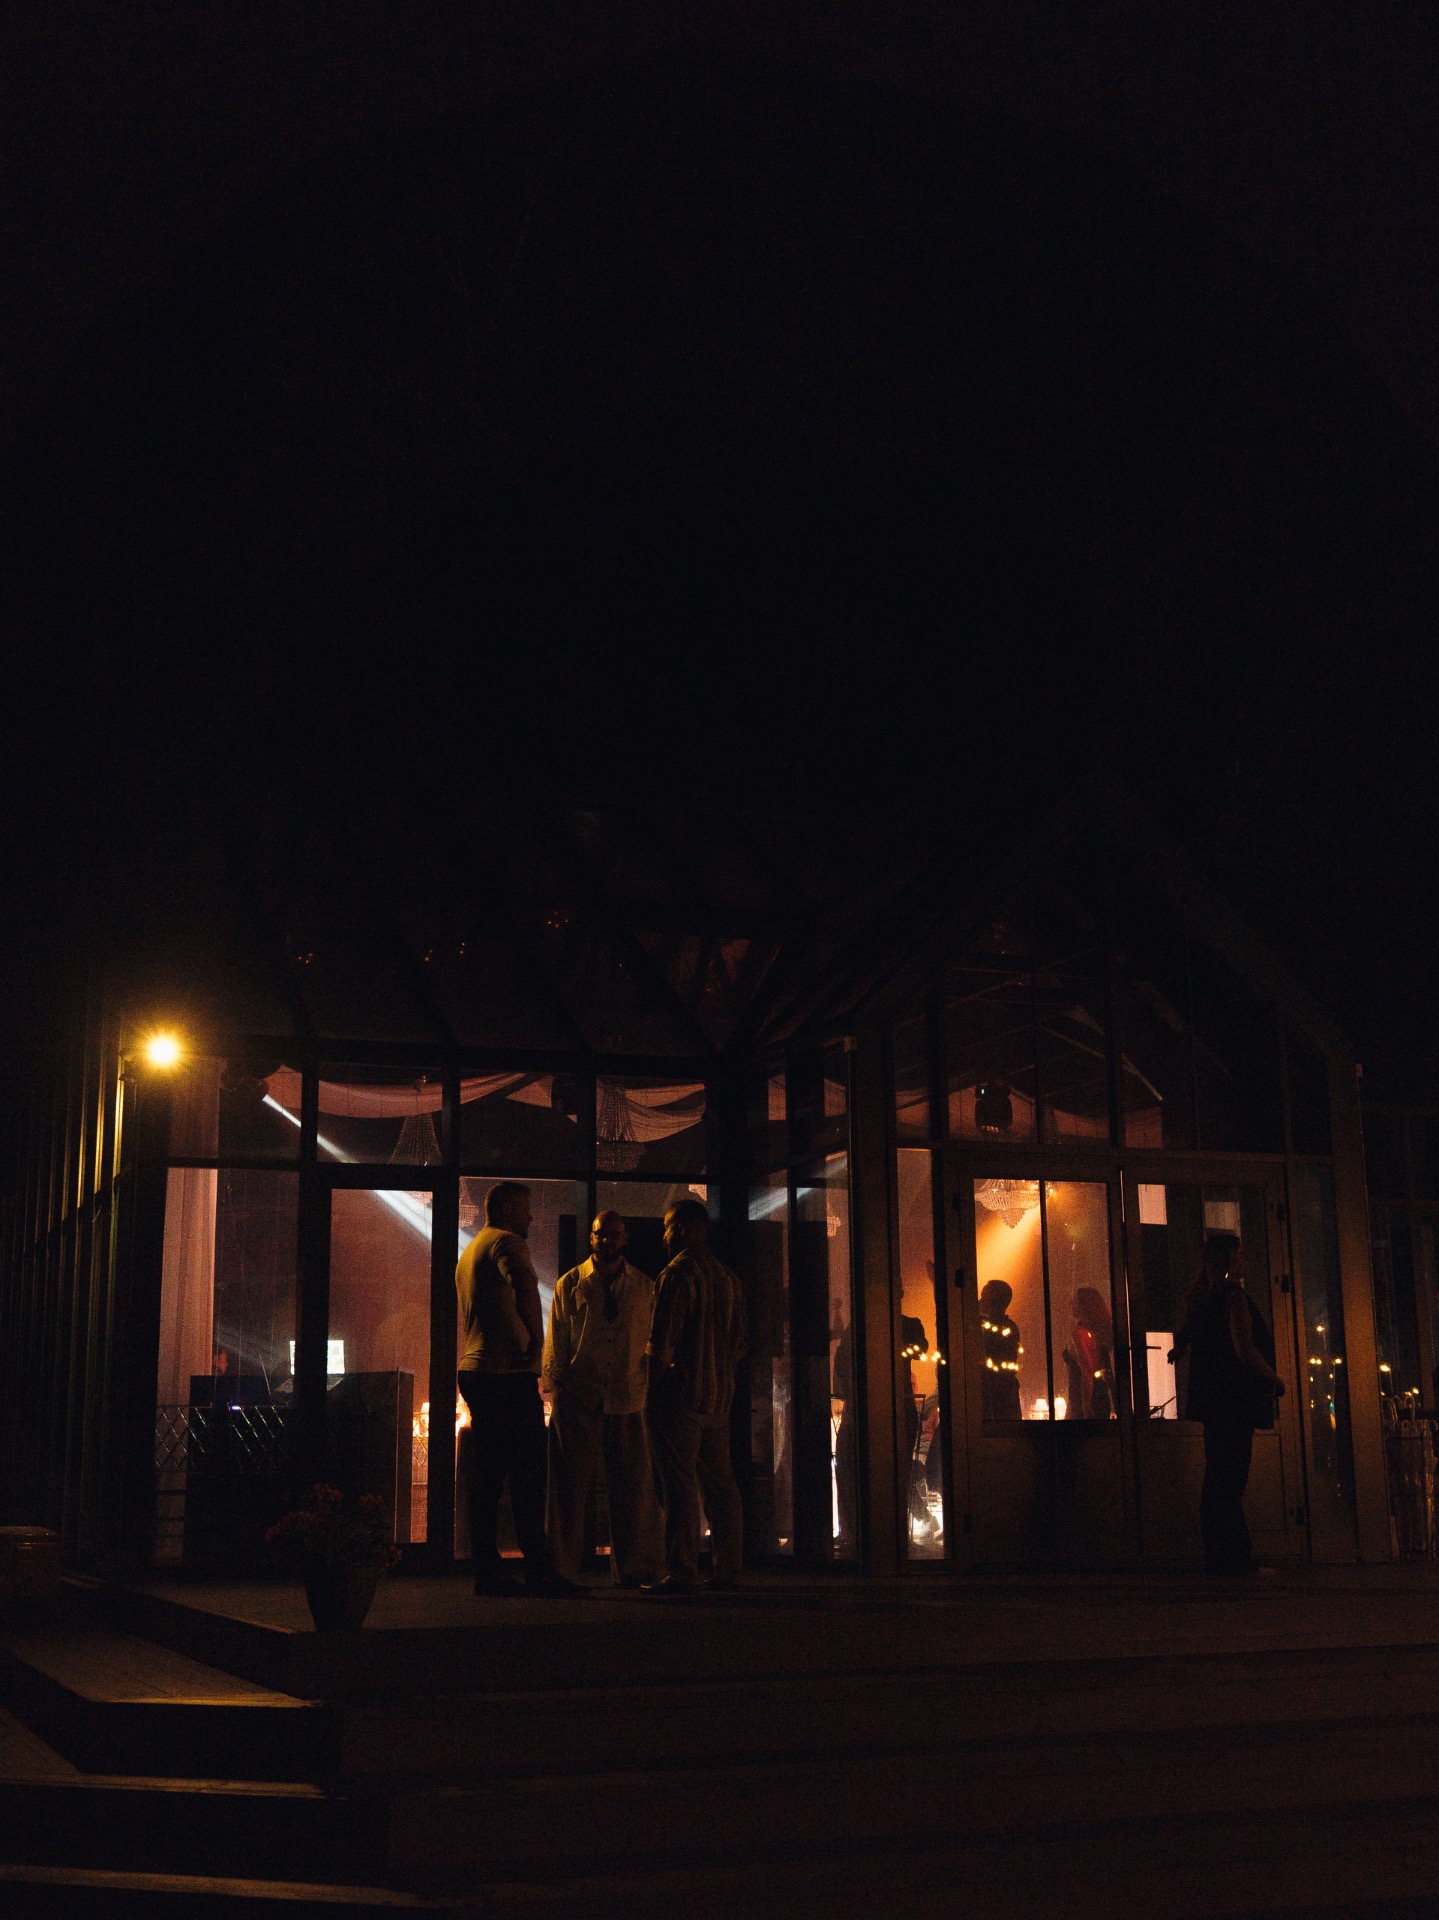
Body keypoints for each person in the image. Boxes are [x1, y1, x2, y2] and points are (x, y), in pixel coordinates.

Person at [455, 1181, 579, 1598]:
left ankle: (487, 1571)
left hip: (476, 1370)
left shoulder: (470, 1251)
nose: (531, 1217)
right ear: (508, 1208)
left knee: (488, 1478)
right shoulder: (508, 1242)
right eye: (525, 1209)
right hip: (505, 1373)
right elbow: (526, 1288)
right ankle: (539, 1571)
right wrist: (536, 1347)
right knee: (528, 1476)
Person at [543, 1210, 664, 1588]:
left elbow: (652, 1341)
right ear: (591, 1238)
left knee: (632, 1491)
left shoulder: (644, 1287)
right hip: (580, 1395)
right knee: (568, 1491)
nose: (607, 1240)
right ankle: (561, 1570)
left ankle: (633, 1569)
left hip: (627, 1397)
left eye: (614, 1234)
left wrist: (647, 1387)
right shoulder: (570, 1284)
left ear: (624, 1237)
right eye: (601, 1234)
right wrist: (556, 1389)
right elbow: (557, 1339)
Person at [643, 1197, 747, 1594]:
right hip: (719, 1401)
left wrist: (651, 1391)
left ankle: (682, 1571)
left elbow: (661, 1345)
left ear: (684, 1229)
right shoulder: (728, 1278)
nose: (664, 1237)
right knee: (722, 1488)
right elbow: (741, 1344)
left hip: (680, 1399)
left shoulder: (676, 1274)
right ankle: (728, 1569)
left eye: (668, 1228)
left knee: (679, 1486)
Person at [1179, 1233, 1285, 1575]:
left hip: (1212, 1401)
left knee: (1217, 1476)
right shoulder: (1234, 1297)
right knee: (1232, 1478)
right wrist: (1274, 1377)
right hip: (1235, 1400)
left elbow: (1186, 1341)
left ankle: (1218, 1554)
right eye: (1240, 1253)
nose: (1246, 1258)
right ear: (1229, 1258)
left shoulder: (1203, 1298)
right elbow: (1245, 1349)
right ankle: (1237, 1559)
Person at [1062, 1286, 1116, 1420]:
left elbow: (1086, 1370)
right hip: (1100, 1396)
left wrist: (1086, 1405)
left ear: (1083, 1306)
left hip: (1081, 1399)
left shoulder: (1079, 1333)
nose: (1070, 1304)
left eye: (1074, 1301)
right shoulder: (1099, 1335)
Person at [978, 1280, 1023, 1420]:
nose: (979, 1301)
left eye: (983, 1296)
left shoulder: (987, 1328)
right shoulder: (1011, 1327)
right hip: (1006, 1396)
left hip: (992, 1398)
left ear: (992, 1302)